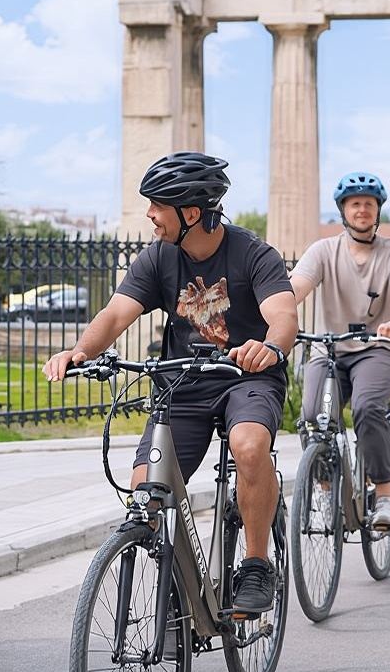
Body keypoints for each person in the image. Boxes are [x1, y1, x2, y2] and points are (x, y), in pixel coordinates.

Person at [44, 152, 297, 614]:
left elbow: (282, 316)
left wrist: (270, 347)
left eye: (157, 206)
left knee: (248, 446)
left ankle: (257, 564)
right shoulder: (158, 258)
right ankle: (177, 587)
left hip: (247, 378)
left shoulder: (253, 254)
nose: (150, 216)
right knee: (146, 491)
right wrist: (82, 352)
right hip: (184, 384)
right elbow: (115, 313)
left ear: (191, 213)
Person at [290, 171, 390, 528]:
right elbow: (297, 285)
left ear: (378, 211)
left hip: (378, 348)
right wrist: (281, 314)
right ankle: (328, 489)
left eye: (369, 204)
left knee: (368, 407)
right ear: (343, 211)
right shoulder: (322, 251)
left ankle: (385, 494)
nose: (362, 209)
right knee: (313, 417)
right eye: (355, 203)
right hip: (328, 349)